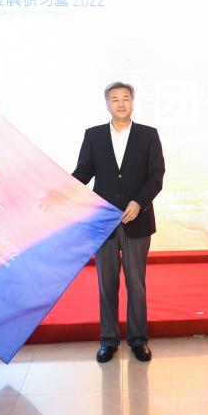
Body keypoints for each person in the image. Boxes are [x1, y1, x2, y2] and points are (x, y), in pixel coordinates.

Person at [72, 82, 165, 363]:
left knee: (136, 284)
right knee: (107, 284)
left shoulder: (148, 135)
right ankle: (108, 340)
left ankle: (138, 340)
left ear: (133, 102)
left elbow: (156, 175)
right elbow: (83, 172)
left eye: (126, 98)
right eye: (115, 99)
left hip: (138, 220)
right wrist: (60, 189)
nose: (121, 103)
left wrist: (139, 202)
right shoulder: (94, 135)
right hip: (103, 222)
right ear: (107, 104)